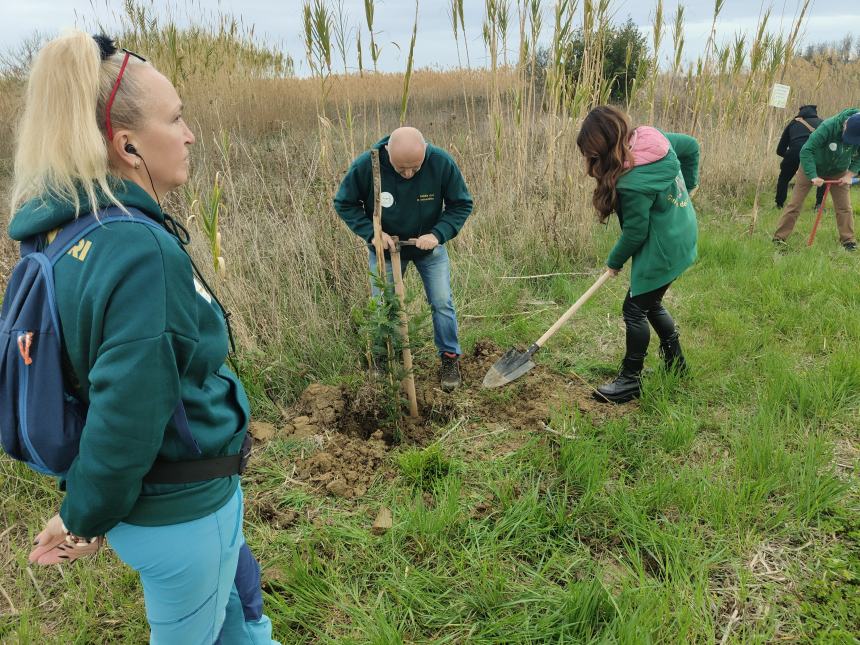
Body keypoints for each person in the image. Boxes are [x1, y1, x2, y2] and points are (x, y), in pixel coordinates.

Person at [8, 31, 278, 643]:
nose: (189, 134)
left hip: (166, 502)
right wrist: (81, 516)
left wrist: (85, 509)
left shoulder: (71, 234)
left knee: (241, 615)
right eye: (176, 118)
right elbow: (126, 417)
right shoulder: (139, 250)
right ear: (126, 144)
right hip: (180, 510)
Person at [334, 126, 473, 391]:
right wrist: (372, 234)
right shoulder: (368, 165)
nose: (409, 174)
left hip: (428, 249)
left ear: (424, 154)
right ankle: (382, 357)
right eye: (401, 170)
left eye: (415, 169)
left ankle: (449, 358)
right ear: (388, 154)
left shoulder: (440, 162)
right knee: (382, 306)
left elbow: (461, 204)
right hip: (386, 250)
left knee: (442, 302)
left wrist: (438, 234)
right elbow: (344, 202)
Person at [576, 105, 699, 403]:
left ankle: (630, 380)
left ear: (603, 148)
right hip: (681, 231)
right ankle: (677, 364)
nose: (590, 161)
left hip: (662, 246)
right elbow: (691, 146)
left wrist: (613, 263)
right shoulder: (649, 140)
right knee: (649, 300)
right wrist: (690, 184)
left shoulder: (632, 184)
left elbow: (635, 233)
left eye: (592, 154)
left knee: (634, 308)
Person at [773, 109, 860, 251]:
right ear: (845, 124)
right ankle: (779, 238)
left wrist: (849, 175)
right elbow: (806, 150)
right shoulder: (828, 126)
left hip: (839, 170)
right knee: (795, 204)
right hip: (811, 165)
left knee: (844, 207)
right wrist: (813, 175)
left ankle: (848, 241)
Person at [775, 104, 826, 209]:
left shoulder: (793, 123)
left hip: (794, 153)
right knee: (822, 176)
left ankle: (779, 204)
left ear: (800, 113)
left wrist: (791, 158)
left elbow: (780, 150)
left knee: (784, 178)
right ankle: (819, 205)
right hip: (815, 154)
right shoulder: (823, 123)